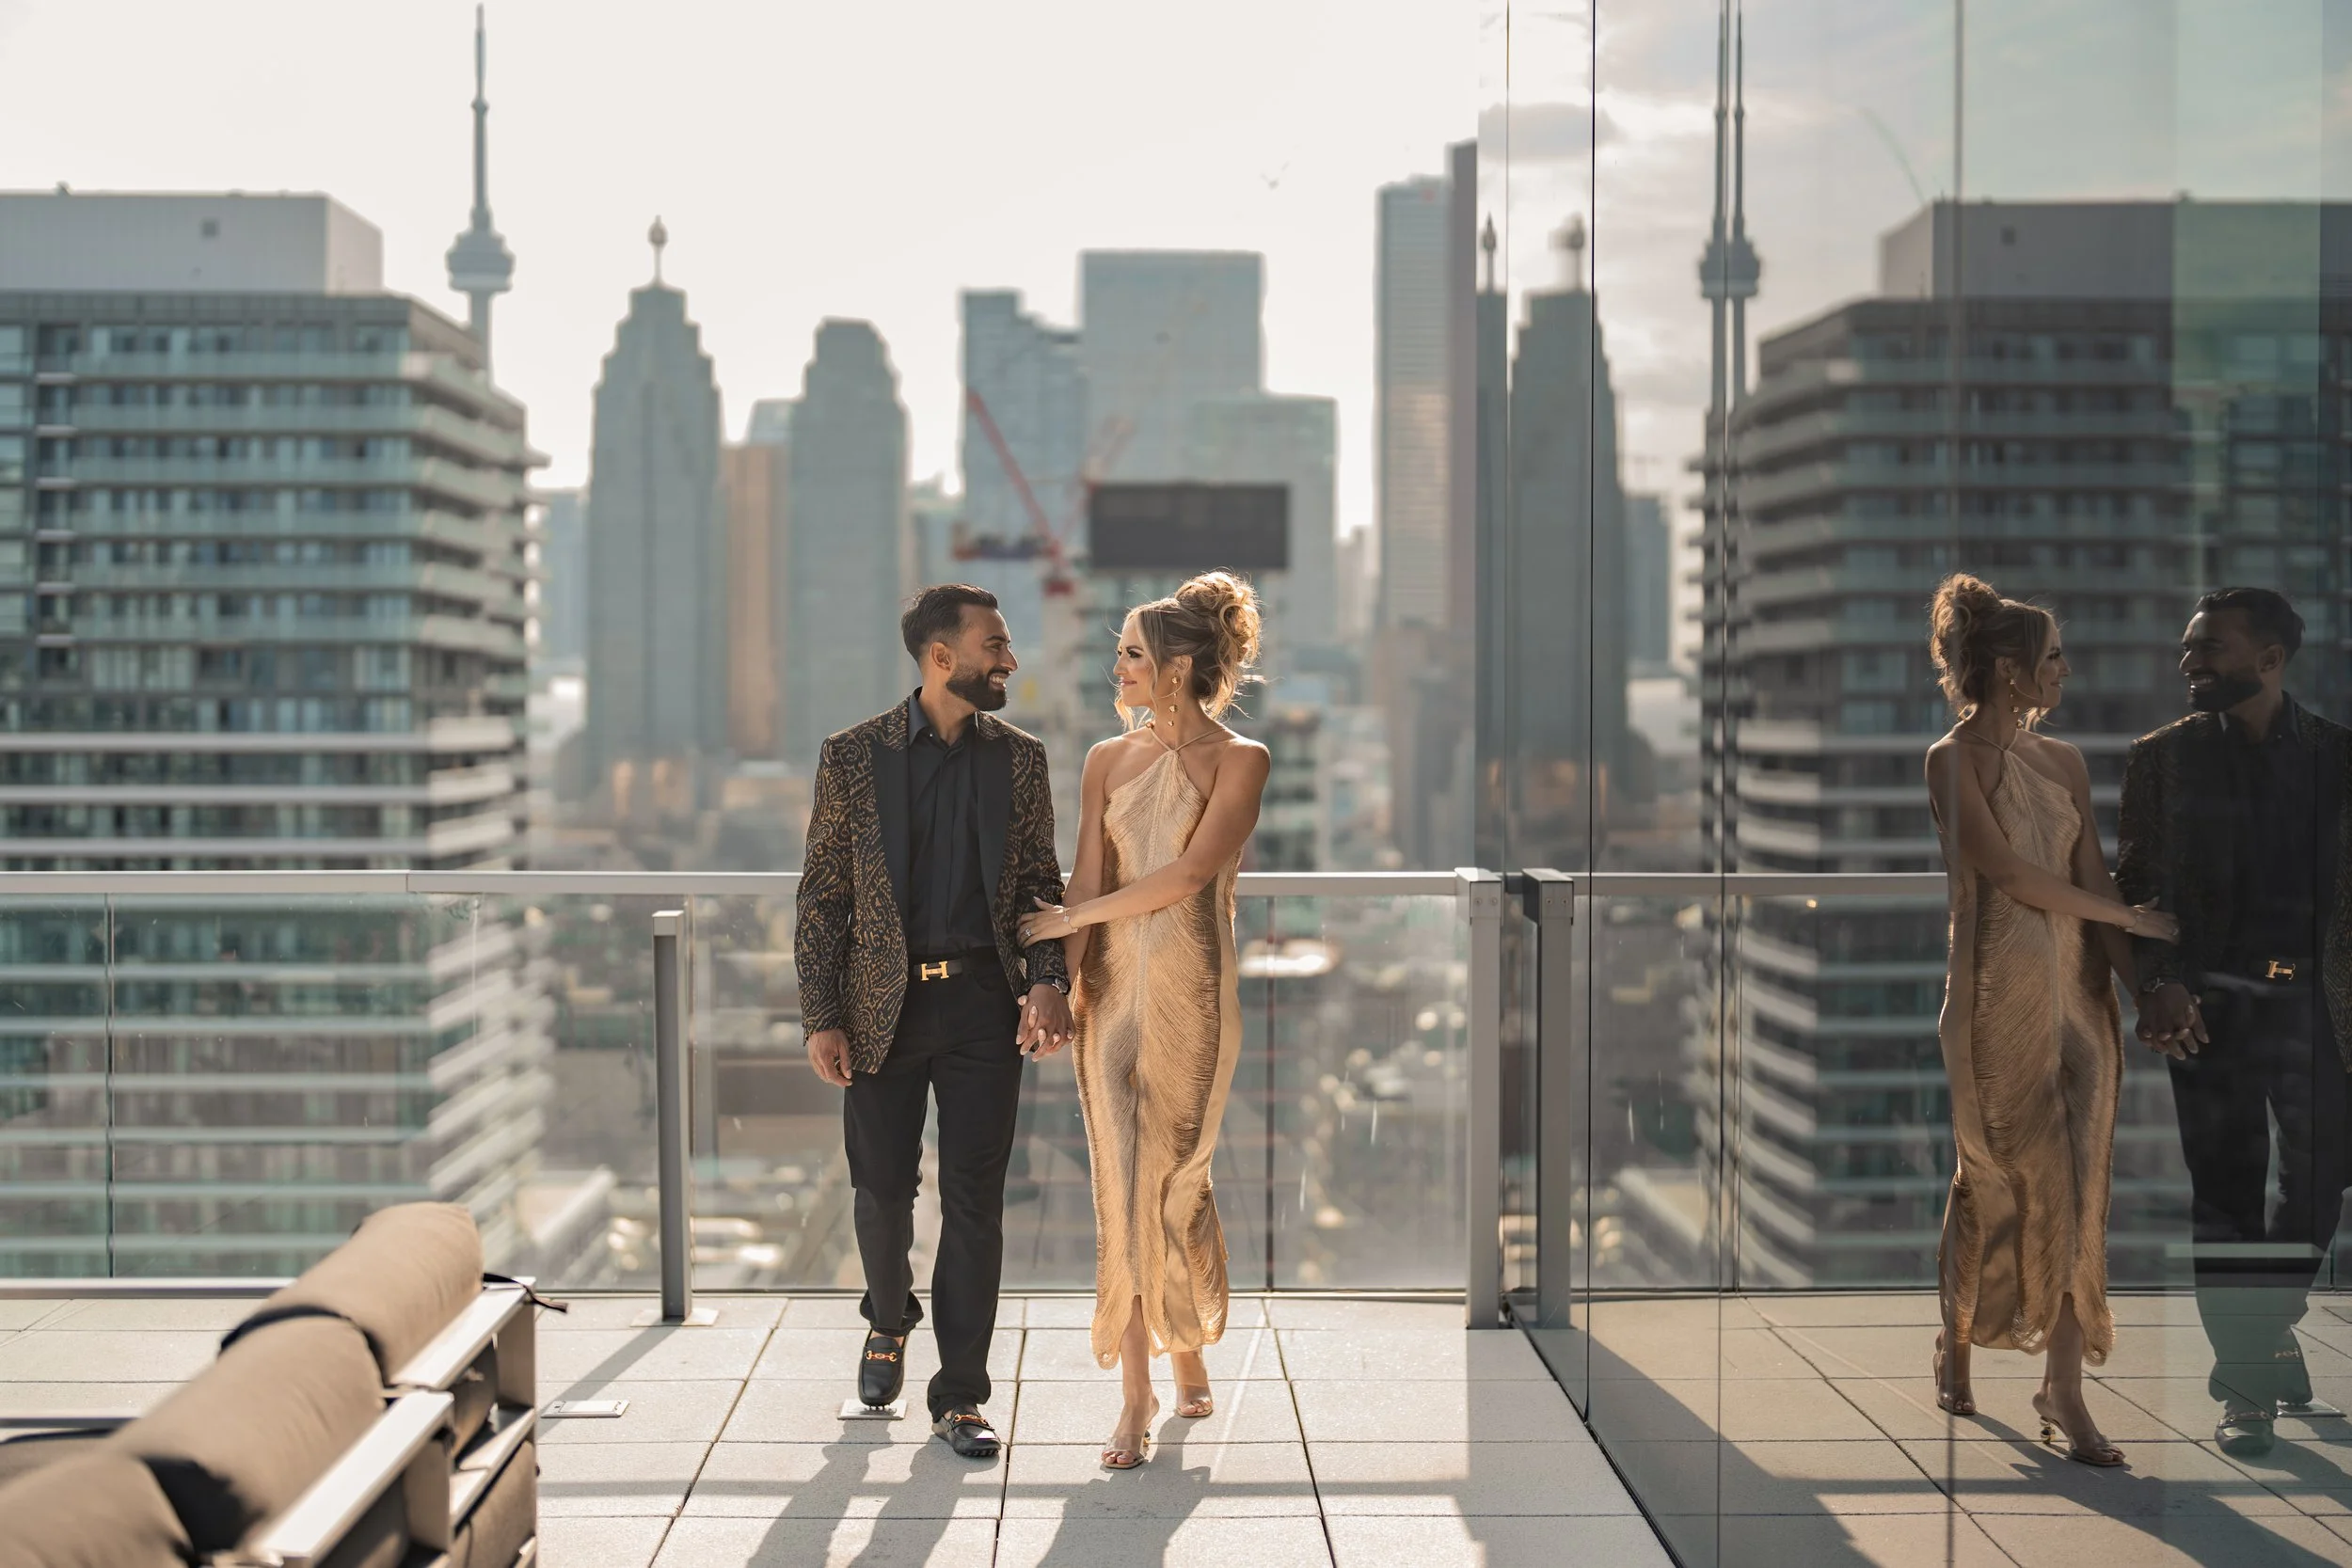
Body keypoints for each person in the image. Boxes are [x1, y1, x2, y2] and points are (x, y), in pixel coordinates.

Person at [794, 584, 1076, 1461]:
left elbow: (1040, 882)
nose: (1011, 659)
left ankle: (960, 1396)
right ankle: (887, 1315)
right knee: (881, 1195)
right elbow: (823, 895)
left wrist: (1047, 983)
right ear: (941, 657)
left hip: (984, 1010)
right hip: (883, 1009)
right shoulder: (851, 756)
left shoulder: (1019, 759)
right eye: (996, 644)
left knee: (976, 1205)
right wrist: (822, 1015)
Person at [1018, 572, 1272, 1471]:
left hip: (1196, 997)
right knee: (1122, 1184)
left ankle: (1190, 1340)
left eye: (1129, 651)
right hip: (1110, 1000)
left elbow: (1190, 876)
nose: (1114, 664)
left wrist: (1069, 923)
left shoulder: (1243, 759)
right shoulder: (1103, 761)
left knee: (1176, 1183)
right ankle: (1135, 1394)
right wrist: (1054, 989)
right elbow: (1086, 884)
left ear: (1175, 666)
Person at [1922, 574, 2178, 1468]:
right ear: (2006, 667)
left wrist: (2141, 984)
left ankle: (2061, 1386)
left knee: (2080, 1188)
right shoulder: (1949, 761)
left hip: (2082, 1000)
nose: (2065, 670)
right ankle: (1956, 1332)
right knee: (1989, 1176)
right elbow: (2011, 877)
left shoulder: (2063, 761)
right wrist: (2130, 920)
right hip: (1994, 997)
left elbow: (2096, 888)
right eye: (2052, 657)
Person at [2116, 587, 2352, 1459]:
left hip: (2319, 1007)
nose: (2190, 662)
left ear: (2270, 656)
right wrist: (2159, 986)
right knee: (2224, 1196)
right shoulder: (2161, 760)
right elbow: (2139, 888)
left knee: (2322, 1177)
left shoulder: (2339, 755)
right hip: (2206, 1008)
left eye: (2208, 647)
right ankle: (2247, 1386)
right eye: (2187, 648)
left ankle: (2259, 1335)